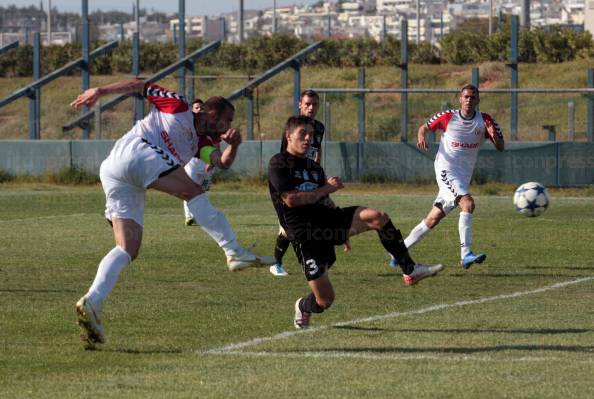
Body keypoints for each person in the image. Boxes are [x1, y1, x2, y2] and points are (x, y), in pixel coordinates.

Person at [70, 79, 274, 349]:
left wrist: (233, 146)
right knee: (194, 191)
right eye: (228, 120)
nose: (229, 126)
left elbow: (220, 162)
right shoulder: (178, 106)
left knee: (128, 247)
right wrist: (101, 91)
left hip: (119, 174)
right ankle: (233, 250)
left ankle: (92, 302)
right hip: (134, 151)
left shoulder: (203, 141)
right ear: (212, 114)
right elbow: (140, 85)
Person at [268, 116, 444, 329]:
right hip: (306, 237)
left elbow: (323, 199)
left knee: (378, 217)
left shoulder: (313, 167)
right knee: (325, 300)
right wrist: (327, 188)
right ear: (289, 136)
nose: (308, 139)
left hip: (328, 222)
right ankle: (304, 306)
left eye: (311, 135)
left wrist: (345, 231)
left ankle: (410, 269)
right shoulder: (279, 163)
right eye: (302, 134)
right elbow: (292, 200)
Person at [389, 84, 504, 270]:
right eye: (466, 96)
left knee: (433, 219)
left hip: (463, 176)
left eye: (473, 97)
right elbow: (424, 127)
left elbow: (500, 146)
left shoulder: (486, 121)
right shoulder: (448, 116)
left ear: (478, 100)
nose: (469, 100)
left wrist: (493, 136)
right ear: (460, 99)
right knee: (468, 204)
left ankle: (398, 251)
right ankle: (466, 254)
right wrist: (421, 136)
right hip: (445, 169)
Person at [270, 89, 326, 277]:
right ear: (299, 105)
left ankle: (315, 263)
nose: (311, 107)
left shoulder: (319, 127)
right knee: (289, 227)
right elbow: (283, 157)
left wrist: (317, 174)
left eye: (314, 104)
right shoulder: (292, 126)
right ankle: (277, 263)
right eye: (307, 104)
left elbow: (317, 151)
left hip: (309, 178)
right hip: (291, 181)